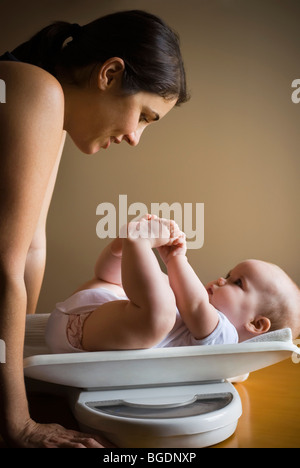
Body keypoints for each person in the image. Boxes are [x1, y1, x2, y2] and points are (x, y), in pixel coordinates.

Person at [0, 10, 189, 447]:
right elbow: (5, 266)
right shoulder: (36, 90)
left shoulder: (47, 104)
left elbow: (31, 249)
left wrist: (21, 375)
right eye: (143, 115)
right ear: (109, 72)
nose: (135, 137)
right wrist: (19, 424)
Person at [45, 215, 300, 356]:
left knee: (162, 309)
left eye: (237, 283)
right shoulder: (192, 312)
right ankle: (122, 248)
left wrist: (176, 257)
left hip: (81, 329)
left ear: (256, 324)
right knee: (155, 289)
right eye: (228, 274)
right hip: (89, 318)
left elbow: (197, 303)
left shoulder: (226, 340)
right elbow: (192, 301)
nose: (222, 280)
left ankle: (137, 241)